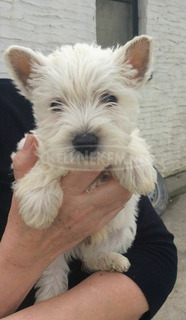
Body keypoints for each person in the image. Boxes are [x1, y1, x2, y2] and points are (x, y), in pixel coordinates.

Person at [0, 79, 177, 320]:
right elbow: (35, 152)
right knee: (53, 274)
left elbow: (156, 253)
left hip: (111, 270)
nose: (84, 121)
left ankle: (95, 258)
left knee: (123, 233)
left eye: (107, 100)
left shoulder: (9, 102)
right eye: (58, 105)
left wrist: (132, 152)